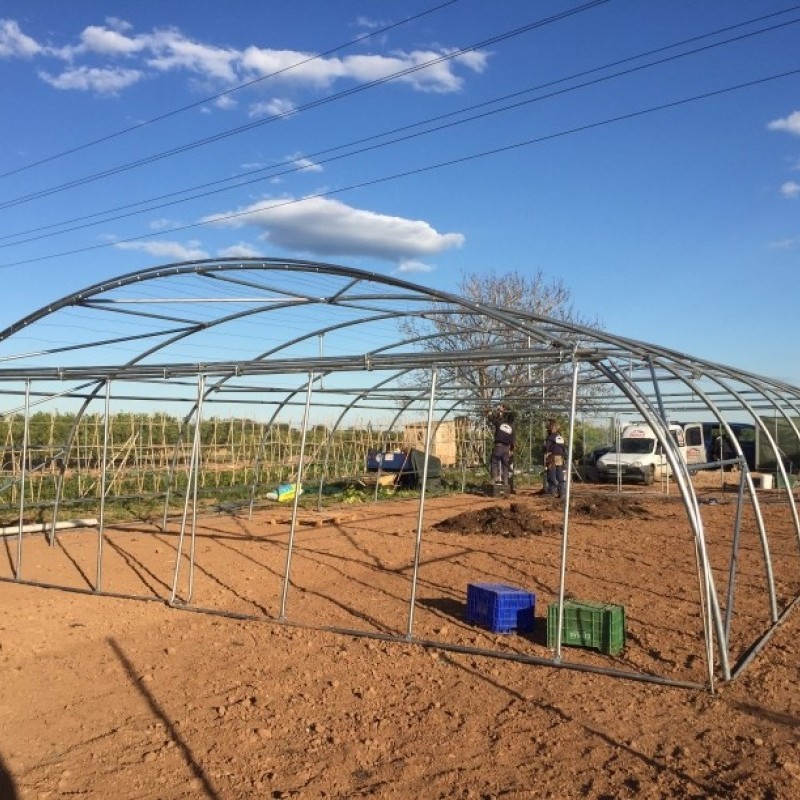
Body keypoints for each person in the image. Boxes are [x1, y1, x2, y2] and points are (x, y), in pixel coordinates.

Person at [489, 406, 515, 487]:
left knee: (494, 461)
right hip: (506, 448)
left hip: (498, 446)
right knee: (505, 465)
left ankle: (495, 477)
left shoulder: (500, 423)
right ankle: (506, 482)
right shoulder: (511, 428)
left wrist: (490, 413)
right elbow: (512, 441)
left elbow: (492, 420)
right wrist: (511, 450)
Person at [544, 419, 567, 498]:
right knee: (560, 476)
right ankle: (562, 493)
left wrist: (546, 452)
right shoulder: (560, 437)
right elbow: (564, 449)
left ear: (551, 427)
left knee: (551, 475)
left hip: (552, 458)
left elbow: (547, 448)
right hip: (560, 458)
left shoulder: (550, 437)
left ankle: (552, 492)